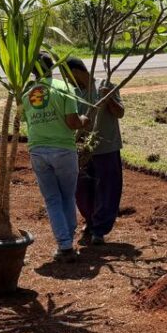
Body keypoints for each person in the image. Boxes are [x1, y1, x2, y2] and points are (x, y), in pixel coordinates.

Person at [21, 55, 91, 262]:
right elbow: (72, 122)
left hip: (38, 152)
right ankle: (67, 242)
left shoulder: (27, 93)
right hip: (63, 150)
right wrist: (84, 120)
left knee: (52, 199)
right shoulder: (64, 88)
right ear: (53, 67)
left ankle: (65, 244)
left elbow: (24, 119)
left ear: (33, 71)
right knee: (67, 196)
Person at [65, 58, 125, 246]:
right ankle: (91, 222)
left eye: (67, 74)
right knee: (82, 190)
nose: (67, 79)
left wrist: (108, 99)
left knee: (107, 188)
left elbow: (120, 112)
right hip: (82, 150)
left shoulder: (105, 85)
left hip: (106, 148)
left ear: (76, 71)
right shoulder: (72, 93)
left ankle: (100, 229)